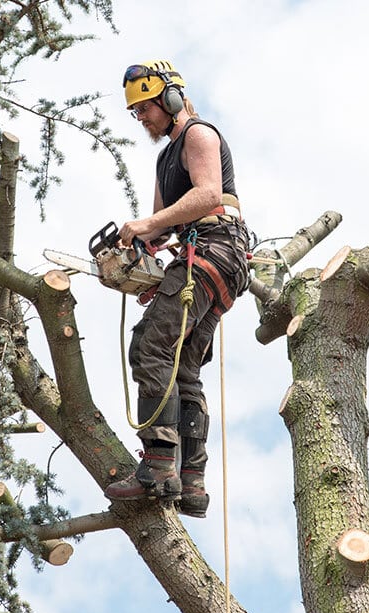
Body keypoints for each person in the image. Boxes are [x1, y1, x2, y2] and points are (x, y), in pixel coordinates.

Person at [104, 60, 250, 518]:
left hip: (215, 248)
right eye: (136, 112)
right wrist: (138, 252)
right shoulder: (164, 159)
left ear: (169, 98)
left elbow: (207, 195)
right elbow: (160, 229)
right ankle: (191, 483)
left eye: (145, 108)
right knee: (182, 365)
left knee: (150, 346)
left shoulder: (199, 135)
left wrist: (146, 224)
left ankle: (158, 466)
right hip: (202, 257)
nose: (142, 118)